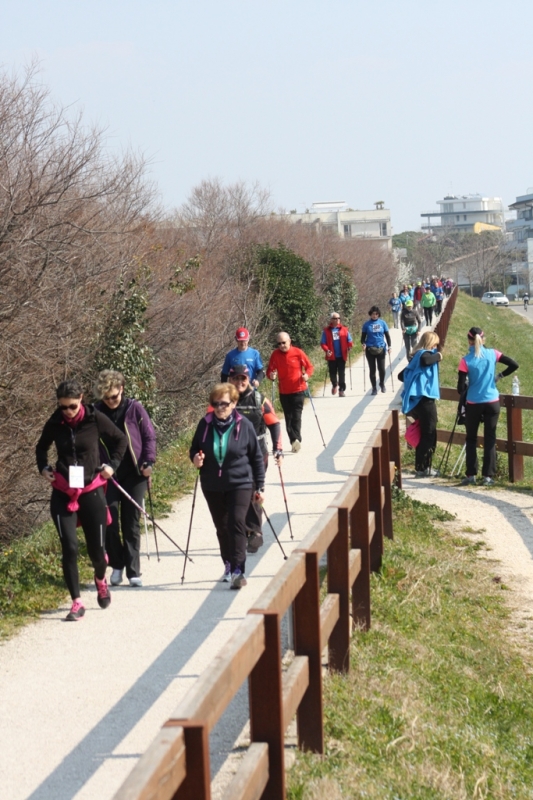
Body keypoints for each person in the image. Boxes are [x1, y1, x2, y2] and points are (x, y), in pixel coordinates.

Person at [36, 380, 128, 621]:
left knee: (98, 553)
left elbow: (120, 440)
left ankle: (100, 579)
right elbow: (41, 448)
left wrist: (112, 465)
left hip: (91, 490)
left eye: (72, 406)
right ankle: (76, 602)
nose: (68, 411)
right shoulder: (55, 422)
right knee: (70, 547)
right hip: (63, 490)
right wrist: (43, 468)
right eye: (63, 407)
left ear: (82, 399)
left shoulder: (95, 418)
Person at [190, 383, 265, 589]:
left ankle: (239, 571)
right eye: (216, 403)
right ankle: (229, 563)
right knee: (222, 527)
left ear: (234, 403)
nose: (219, 407)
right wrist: (196, 458)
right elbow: (194, 449)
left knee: (237, 522)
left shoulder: (245, 425)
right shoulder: (204, 425)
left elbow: (256, 458)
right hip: (212, 484)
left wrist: (260, 487)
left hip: (240, 482)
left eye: (224, 403)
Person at [94, 370, 156, 588]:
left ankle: (133, 570)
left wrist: (148, 461)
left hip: (135, 472)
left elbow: (148, 435)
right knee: (108, 520)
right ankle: (117, 564)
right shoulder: (96, 412)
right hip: (108, 474)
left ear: (122, 389)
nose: (111, 401)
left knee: (131, 522)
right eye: (106, 398)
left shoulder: (134, 408)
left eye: (114, 396)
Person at [227, 363, 283, 553]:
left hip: (257, 454)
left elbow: (274, 424)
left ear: (249, 379)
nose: (240, 382)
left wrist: (278, 448)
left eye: (243, 378)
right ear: (230, 380)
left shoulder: (259, 399)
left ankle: (254, 532)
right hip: (230, 457)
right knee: (236, 496)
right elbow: (209, 425)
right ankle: (245, 532)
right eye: (236, 378)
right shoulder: (222, 400)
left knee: (253, 492)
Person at [457, 327, 519, 486]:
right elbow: (514, 364)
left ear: (469, 340)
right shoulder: (493, 354)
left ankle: (471, 474)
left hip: (473, 403)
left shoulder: (465, 360)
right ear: (483, 339)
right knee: (490, 438)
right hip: (492, 401)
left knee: (471, 438)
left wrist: (468, 384)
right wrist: (499, 376)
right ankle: (488, 476)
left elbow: (460, 389)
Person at [399, 331, 442, 477]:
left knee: (426, 433)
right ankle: (423, 468)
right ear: (430, 343)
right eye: (435, 344)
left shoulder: (415, 356)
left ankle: (422, 466)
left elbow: (401, 375)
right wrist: (438, 356)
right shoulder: (424, 354)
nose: (437, 347)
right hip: (424, 399)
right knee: (429, 434)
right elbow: (426, 360)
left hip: (418, 401)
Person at [266, 332, 314, 452]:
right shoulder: (275, 355)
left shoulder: (298, 352)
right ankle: (294, 440)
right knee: (288, 417)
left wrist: (307, 375)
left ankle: (296, 440)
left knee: (296, 416)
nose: (282, 345)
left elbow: (309, 367)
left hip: (298, 390)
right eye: (279, 343)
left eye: (284, 342)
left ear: (289, 341)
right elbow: (270, 371)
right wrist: (271, 375)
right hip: (284, 391)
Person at [320, 311, 353, 395]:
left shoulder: (344, 329)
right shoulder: (326, 331)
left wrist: (349, 347)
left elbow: (349, 340)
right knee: (332, 374)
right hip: (331, 356)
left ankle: (341, 389)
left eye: (338, 318)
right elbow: (323, 343)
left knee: (342, 373)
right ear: (331, 320)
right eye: (335, 318)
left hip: (342, 355)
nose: (337, 320)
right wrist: (327, 350)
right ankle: (335, 384)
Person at [361, 306, 392, 395]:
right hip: (370, 349)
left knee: (381, 369)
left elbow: (387, 336)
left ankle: (382, 383)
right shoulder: (366, 324)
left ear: (379, 314)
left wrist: (389, 346)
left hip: (381, 348)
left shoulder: (382, 323)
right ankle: (374, 387)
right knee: (372, 369)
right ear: (370, 314)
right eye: (373, 314)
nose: (375, 315)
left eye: (376, 314)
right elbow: (362, 338)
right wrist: (363, 344)